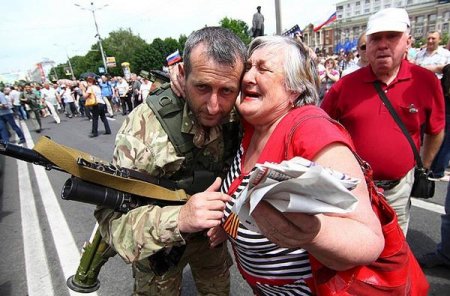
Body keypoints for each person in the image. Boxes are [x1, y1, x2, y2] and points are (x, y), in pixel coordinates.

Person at [213, 35, 383, 295]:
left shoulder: (311, 130)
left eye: (263, 68)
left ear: (294, 89)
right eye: (248, 67)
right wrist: (227, 224)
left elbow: (369, 240)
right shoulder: (253, 125)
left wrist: (314, 233)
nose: (247, 77)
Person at [94, 26, 246, 295]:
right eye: (202, 87)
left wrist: (227, 222)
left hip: (211, 238)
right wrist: (180, 219)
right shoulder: (144, 130)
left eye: (226, 91)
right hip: (159, 247)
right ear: (182, 76)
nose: (214, 106)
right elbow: (112, 222)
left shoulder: (240, 111)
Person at [321, 7, 445, 234]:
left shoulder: (426, 82)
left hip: (398, 190)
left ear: (408, 42)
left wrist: (423, 168)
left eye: (392, 36)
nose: (383, 44)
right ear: (367, 45)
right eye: (376, 38)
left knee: (394, 255)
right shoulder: (345, 86)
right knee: (353, 251)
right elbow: (321, 129)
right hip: (352, 190)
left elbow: (436, 130)